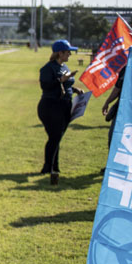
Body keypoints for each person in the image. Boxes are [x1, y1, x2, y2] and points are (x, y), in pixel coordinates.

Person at [39, 39, 81, 182]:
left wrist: (75, 90)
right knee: (54, 137)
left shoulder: (65, 67)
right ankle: (48, 167)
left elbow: (67, 85)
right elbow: (46, 86)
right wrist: (60, 80)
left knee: (57, 137)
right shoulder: (48, 68)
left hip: (64, 106)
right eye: (67, 52)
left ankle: (54, 166)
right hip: (50, 106)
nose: (70, 54)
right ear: (59, 53)